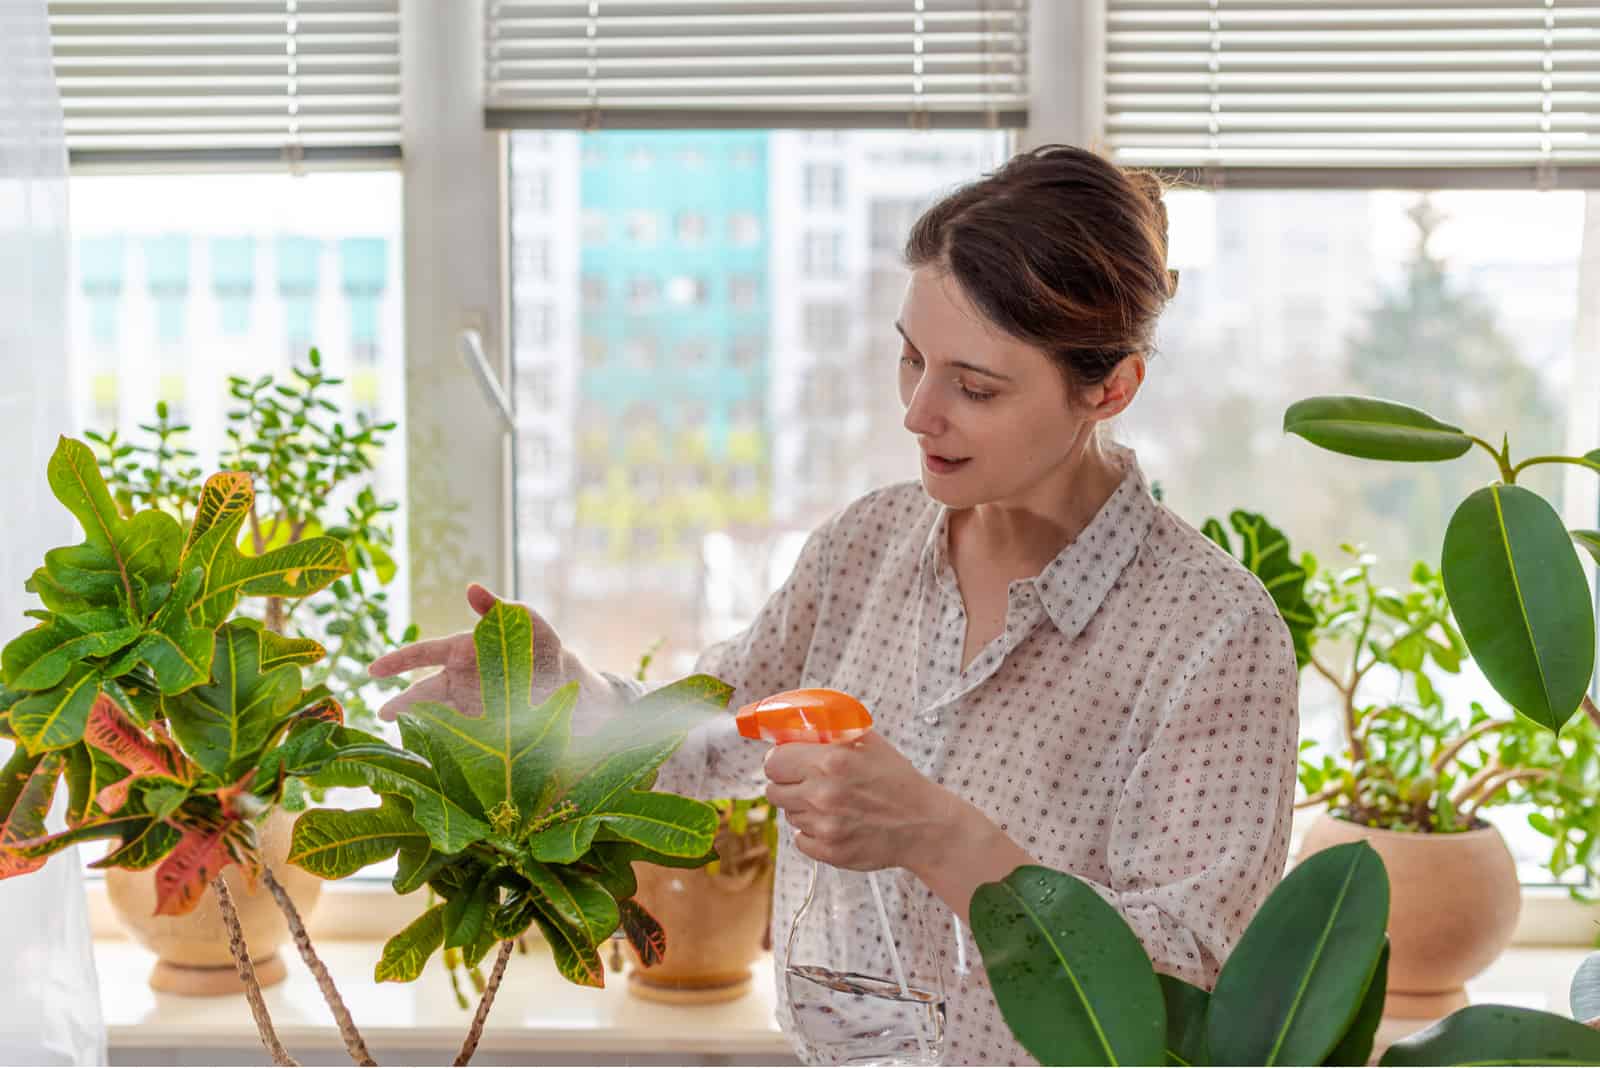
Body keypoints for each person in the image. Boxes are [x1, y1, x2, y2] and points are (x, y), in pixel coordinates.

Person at [369, 144, 1299, 1067]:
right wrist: (553, 693)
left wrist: (940, 837)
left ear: (1110, 388)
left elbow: (1194, 987)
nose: (919, 412)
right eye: (912, 360)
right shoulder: (867, 549)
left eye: (974, 386)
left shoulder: (1212, 634)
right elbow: (708, 746)